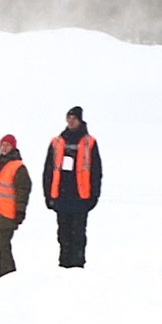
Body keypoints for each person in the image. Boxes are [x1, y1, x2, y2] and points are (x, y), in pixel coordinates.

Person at [44, 106, 104, 268]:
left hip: (81, 197)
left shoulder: (90, 142)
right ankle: (63, 265)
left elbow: (96, 171)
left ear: (80, 120)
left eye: (74, 118)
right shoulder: (56, 142)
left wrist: (94, 195)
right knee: (63, 235)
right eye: (68, 118)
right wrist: (48, 195)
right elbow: (48, 170)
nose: (71, 121)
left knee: (78, 235)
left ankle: (77, 266)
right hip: (61, 196)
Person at [0, 135, 31, 277]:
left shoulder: (18, 167)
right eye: (2, 144)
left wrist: (20, 211)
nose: (4, 147)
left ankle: (7, 274)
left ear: (13, 147)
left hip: (7, 214)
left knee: (3, 245)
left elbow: (23, 191)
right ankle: (6, 275)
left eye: (8, 145)